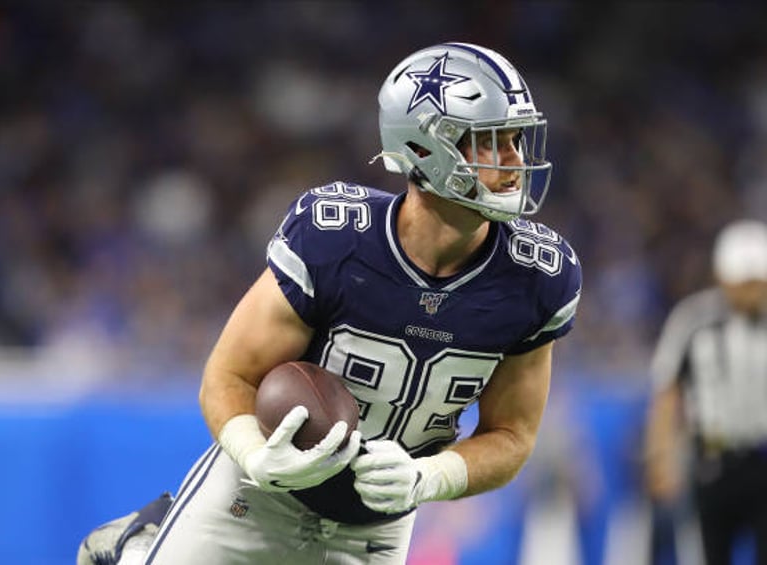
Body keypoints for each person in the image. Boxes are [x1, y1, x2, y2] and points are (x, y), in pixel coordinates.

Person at [77, 42, 582, 565]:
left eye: (517, 139)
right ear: (426, 149)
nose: (515, 162)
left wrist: (427, 477)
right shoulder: (336, 239)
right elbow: (228, 376)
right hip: (255, 496)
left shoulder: (536, 276)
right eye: (490, 142)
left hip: (374, 524)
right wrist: (257, 455)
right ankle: (136, 551)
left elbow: (512, 435)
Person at [644, 219, 767, 565]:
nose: (751, 292)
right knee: (709, 554)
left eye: (757, 282)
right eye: (745, 282)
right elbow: (667, 392)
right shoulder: (694, 320)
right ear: (723, 277)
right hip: (714, 462)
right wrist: (661, 456)